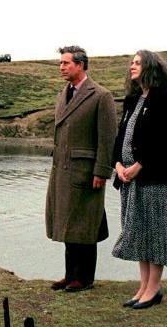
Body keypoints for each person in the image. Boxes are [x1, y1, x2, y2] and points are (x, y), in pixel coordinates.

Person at [111, 51, 167, 310]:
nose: (132, 66)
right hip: (130, 180)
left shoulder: (166, 98)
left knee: (156, 233)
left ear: (150, 67)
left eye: (137, 62)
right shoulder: (133, 99)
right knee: (140, 233)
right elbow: (122, 136)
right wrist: (118, 165)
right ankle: (143, 286)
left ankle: (153, 289)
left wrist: (139, 166)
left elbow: (164, 140)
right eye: (131, 62)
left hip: (153, 178)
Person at [46, 45, 117, 292]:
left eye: (66, 63)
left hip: (86, 172)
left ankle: (84, 278)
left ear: (81, 65)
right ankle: (70, 275)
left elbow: (107, 138)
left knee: (85, 224)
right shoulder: (62, 94)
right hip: (62, 170)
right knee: (68, 223)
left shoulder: (100, 96)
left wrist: (101, 171)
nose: (62, 67)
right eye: (61, 63)